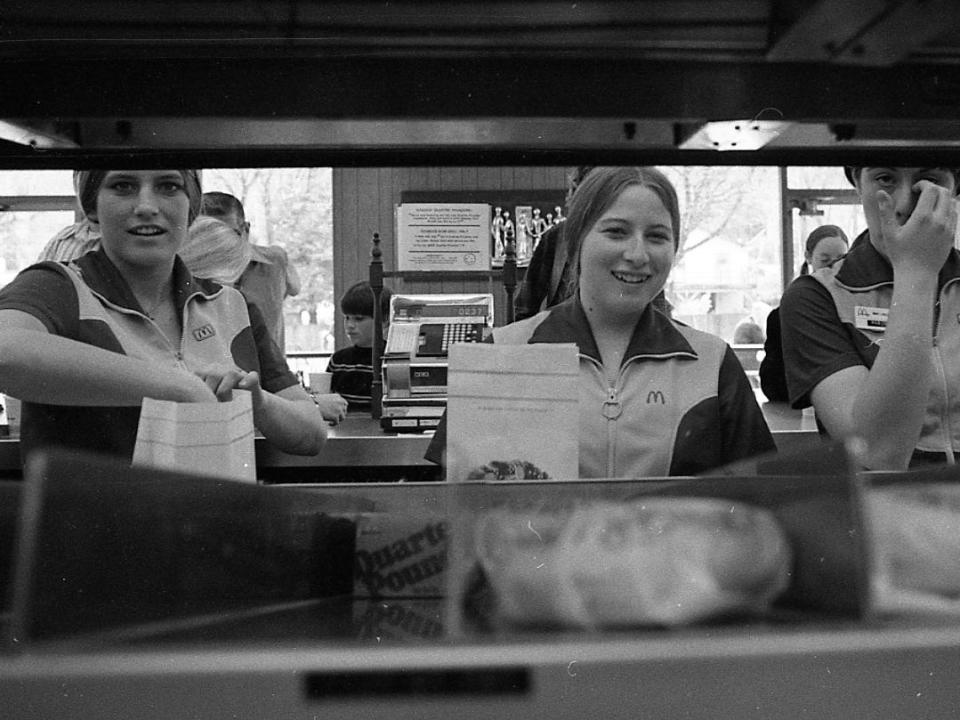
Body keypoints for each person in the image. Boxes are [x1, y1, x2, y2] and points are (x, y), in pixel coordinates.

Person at [428, 166, 774, 478]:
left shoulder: (713, 364)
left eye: (657, 236)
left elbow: (753, 507)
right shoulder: (500, 355)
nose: (638, 255)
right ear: (576, 240)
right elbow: (462, 510)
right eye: (616, 232)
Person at [0, 169, 327, 466]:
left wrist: (258, 401)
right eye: (123, 186)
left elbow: (311, 433)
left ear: (192, 207)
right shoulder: (57, 287)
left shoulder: (230, 304)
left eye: (169, 186)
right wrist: (178, 386)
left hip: (212, 527)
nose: (146, 205)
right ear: (91, 207)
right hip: (90, 530)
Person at [779, 166, 960, 470]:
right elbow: (879, 455)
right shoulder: (816, 296)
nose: (904, 205)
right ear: (857, 184)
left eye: (928, 182)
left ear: (955, 190)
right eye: (885, 179)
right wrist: (917, 273)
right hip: (880, 510)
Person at [515, 165, 672, 321]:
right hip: (562, 338)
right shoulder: (556, 238)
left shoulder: (645, 246)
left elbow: (660, 316)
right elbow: (525, 308)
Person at [200, 191, 301, 354]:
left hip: (270, 376)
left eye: (229, 234)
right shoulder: (182, 272)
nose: (220, 245)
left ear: (245, 230)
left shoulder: (275, 262)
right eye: (209, 236)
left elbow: (295, 288)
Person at [759, 225, 849, 402]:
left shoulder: (855, 310)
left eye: (840, 259)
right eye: (825, 260)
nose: (833, 267)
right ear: (809, 258)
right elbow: (772, 385)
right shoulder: (783, 316)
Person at [326, 281, 393, 411]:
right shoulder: (338, 360)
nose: (350, 325)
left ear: (384, 320)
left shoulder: (392, 360)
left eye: (359, 319)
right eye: (347, 318)